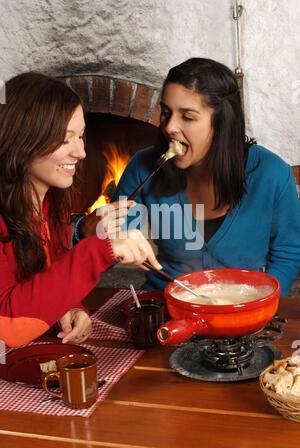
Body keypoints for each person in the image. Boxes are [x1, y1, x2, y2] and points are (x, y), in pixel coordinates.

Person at [76, 58, 300, 296]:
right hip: (166, 302)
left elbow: (288, 253)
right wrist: (87, 234)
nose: (169, 126)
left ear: (222, 122)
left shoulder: (272, 173)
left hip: (243, 307)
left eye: (187, 117)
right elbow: (111, 252)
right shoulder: (143, 167)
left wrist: (263, 304)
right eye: (165, 112)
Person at [0, 72, 161, 348]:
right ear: (22, 142)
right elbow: (6, 329)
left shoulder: (49, 203)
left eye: (82, 136)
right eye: (65, 139)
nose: (81, 152)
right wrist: (101, 249)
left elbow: (46, 278)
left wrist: (71, 308)